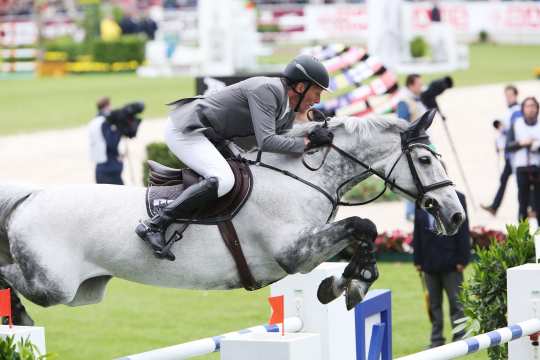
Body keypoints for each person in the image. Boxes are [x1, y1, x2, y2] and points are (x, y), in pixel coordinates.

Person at [136, 54, 334, 259]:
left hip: (212, 136)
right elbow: (267, 142)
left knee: (250, 175)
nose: (318, 100)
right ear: (301, 87)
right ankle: (154, 225)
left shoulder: (287, 107)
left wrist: (312, 134)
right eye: (317, 92)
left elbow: (284, 141)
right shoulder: (268, 90)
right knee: (223, 180)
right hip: (187, 130)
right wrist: (307, 143)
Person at [413, 190, 470, 348]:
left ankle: (460, 337)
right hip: (429, 264)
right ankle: (436, 339)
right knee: (434, 305)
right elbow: (417, 231)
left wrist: (462, 259)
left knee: (456, 303)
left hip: (452, 263)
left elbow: (464, 230)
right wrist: (417, 259)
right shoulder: (420, 201)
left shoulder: (458, 197)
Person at [482, 85, 522, 216]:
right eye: (506, 95)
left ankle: (528, 207)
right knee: (504, 179)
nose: (508, 98)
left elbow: (515, 130)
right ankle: (494, 206)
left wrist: (503, 129)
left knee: (520, 182)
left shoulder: (517, 110)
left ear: (516, 95)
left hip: (516, 155)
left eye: (510, 95)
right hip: (509, 153)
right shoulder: (510, 111)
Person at [397, 74, 427, 221]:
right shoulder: (404, 101)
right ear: (411, 85)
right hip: (413, 147)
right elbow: (403, 126)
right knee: (415, 179)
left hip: (422, 144)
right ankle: (411, 212)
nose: (421, 87)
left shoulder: (417, 99)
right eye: (419, 84)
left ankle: (416, 211)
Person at [505, 97, 540, 224]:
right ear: (523, 109)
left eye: (533, 106)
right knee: (522, 204)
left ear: (537, 109)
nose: (530, 109)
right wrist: (521, 143)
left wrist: (536, 145)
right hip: (522, 168)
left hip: (538, 168)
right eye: (527, 106)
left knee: (539, 204)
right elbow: (508, 146)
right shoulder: (517, 124)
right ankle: (522, 239)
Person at [88, 97, 124, 185]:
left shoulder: (93, 122)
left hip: (99, 165)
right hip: (110, 165)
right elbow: (111, 143)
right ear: (107, 106)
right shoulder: (105, 122)